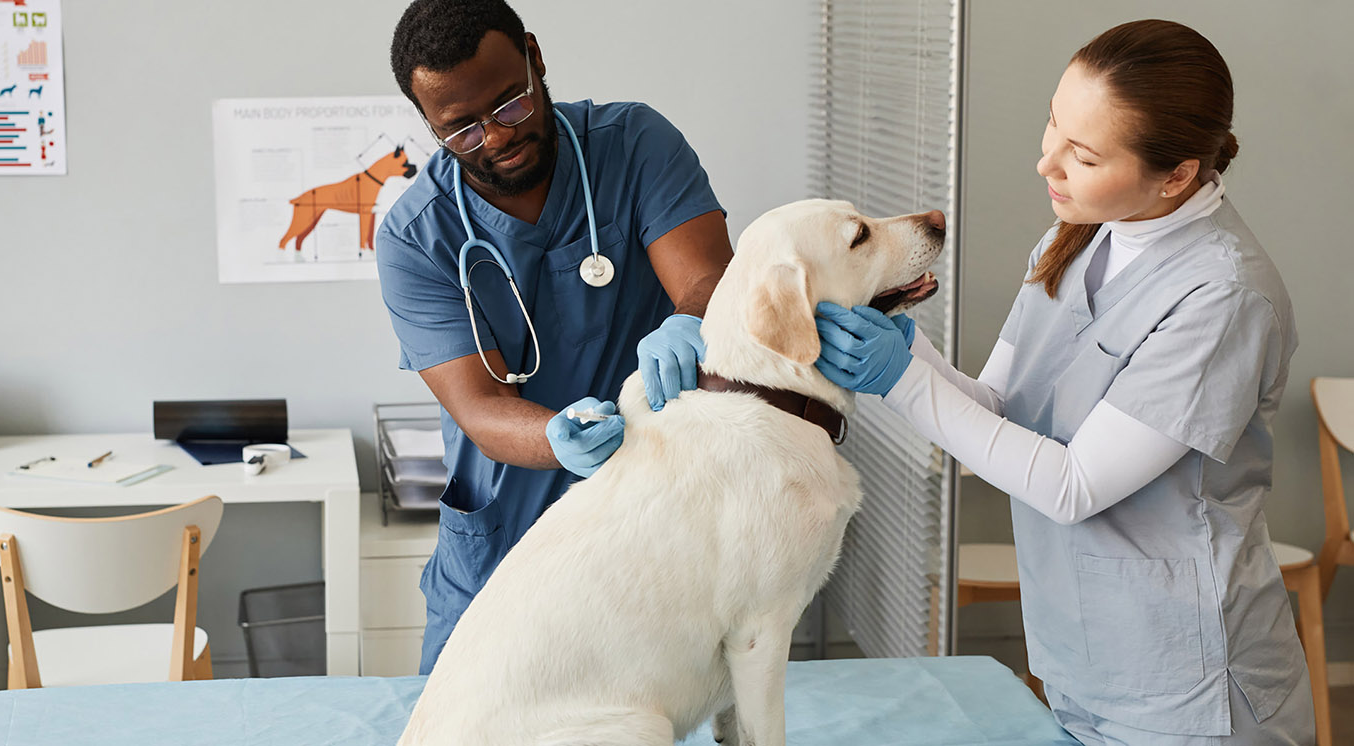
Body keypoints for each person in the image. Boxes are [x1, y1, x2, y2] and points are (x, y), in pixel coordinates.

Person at [809, 19, 1313, 745]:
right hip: (1082, 661)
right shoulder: (1072, 240)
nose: (1046, 164)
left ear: (1177, 174)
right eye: (1052, 125)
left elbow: (1072, 484)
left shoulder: (1223, 298)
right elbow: (998, 412)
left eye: (1081, 155)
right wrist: (909, 350)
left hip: (1190, 685)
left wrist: (900, 382)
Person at [378, 0, 734, 674]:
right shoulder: (415, 236)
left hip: (648, 514)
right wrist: (556, 440)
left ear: (536, 60)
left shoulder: (633, 144)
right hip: (502, 537)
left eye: (510, 104)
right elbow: (479, 407)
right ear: (428, 125)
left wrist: (692, 319)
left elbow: (706, 278)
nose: (495, 136)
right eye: (461, 129)